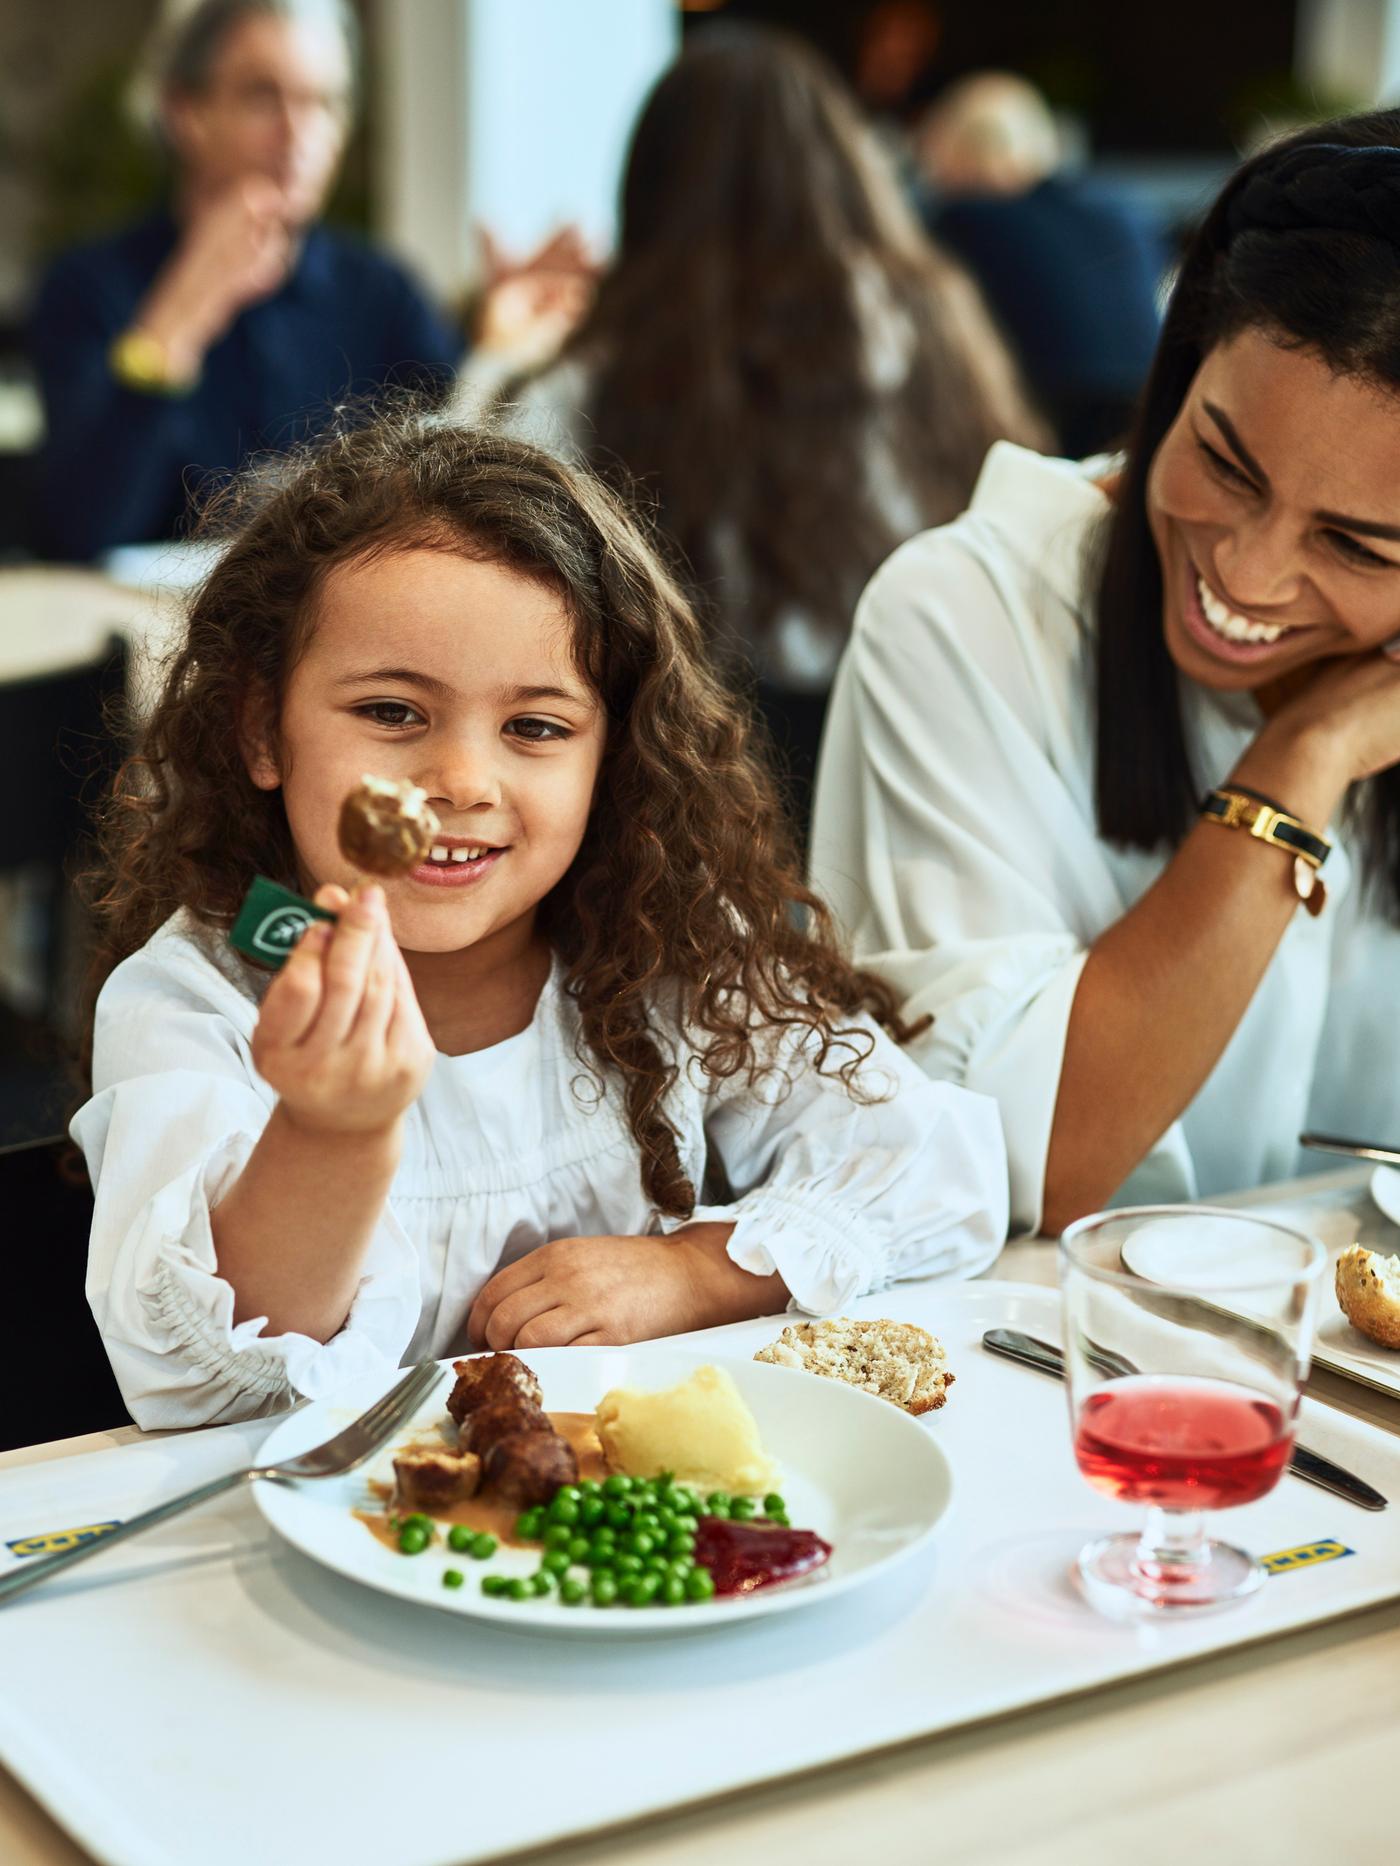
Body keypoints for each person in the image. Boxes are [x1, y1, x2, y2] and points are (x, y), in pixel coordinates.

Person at [71, 411, 1008, 1429]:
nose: (461, 781)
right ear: (262, 728)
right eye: (391, 712)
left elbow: (937, 1172)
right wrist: (329, 1133)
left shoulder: (660, 951)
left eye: (534, 728)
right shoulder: (192, 1003)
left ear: (612, 758)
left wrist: (693, 1276)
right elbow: (197, 1382)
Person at [810, 110, 1400, 1238]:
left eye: (1354, 545)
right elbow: (1039, 1158)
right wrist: (1303, 757)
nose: (1246, 570)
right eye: (1222, 464)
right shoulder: (964, 615)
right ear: (1177, 374)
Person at [472, 27, 1045, 835]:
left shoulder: (609, 376)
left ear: (653, 190)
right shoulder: (928, 332)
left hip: (686, 809)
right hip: (924, 781)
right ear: (840, 170)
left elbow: (474, 522)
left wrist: (497, 352)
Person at [30, 0, 587, 563]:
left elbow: (462, 472)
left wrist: (499, 344)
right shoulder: (91, 287)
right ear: (185, 113)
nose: (297, 133)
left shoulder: (380, 290)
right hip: (147, 632)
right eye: (262, 96)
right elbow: (80, 529)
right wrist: (178, 316)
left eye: (322, 102)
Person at [917, 73, 1168, 458]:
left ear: (952, 153)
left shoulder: (963, 222)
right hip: (1150, 425)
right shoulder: (1123, 210)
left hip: (1044, 440)